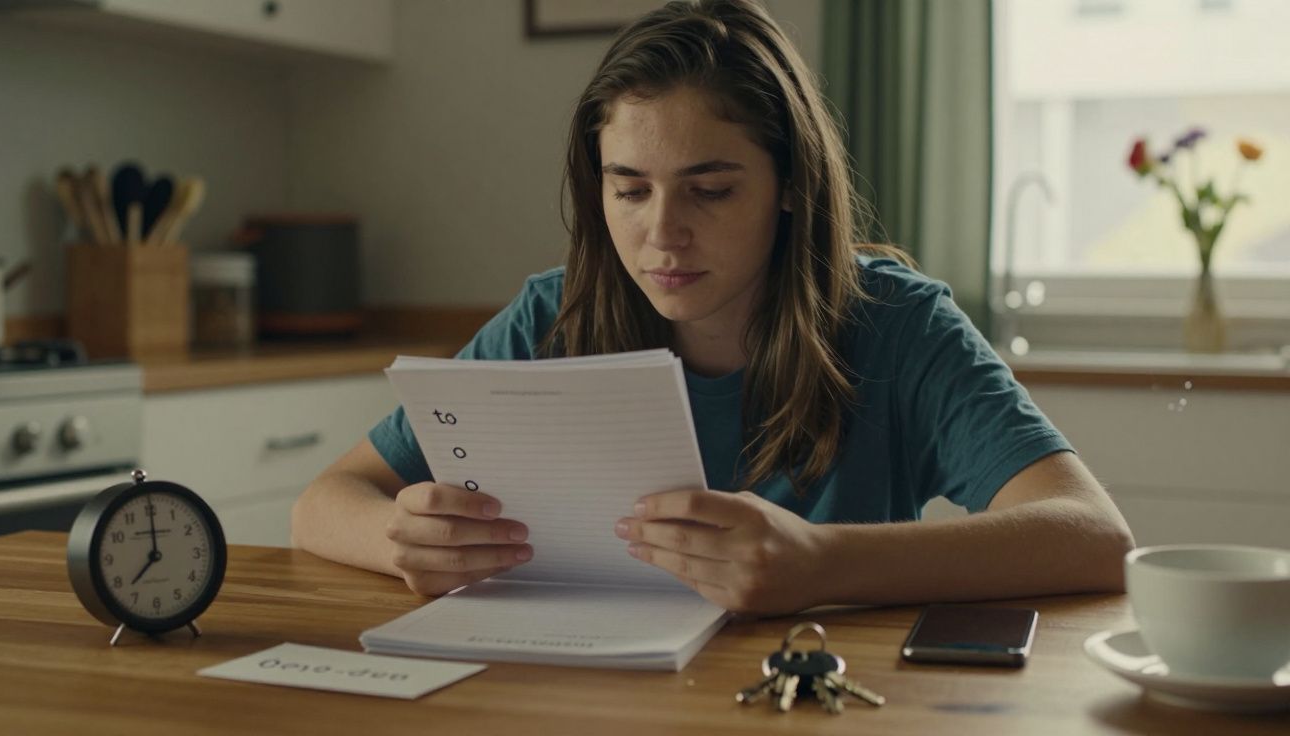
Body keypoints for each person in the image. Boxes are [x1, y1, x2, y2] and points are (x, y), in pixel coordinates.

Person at [291, 0, 1134, 616]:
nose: (664, 235)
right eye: (630, 190)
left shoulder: (897, 323)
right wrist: (397, 539)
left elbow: (1093, 536)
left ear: (791, 186)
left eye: (711, 190)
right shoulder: (552, 318)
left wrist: (821, 563)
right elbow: (325, 500)